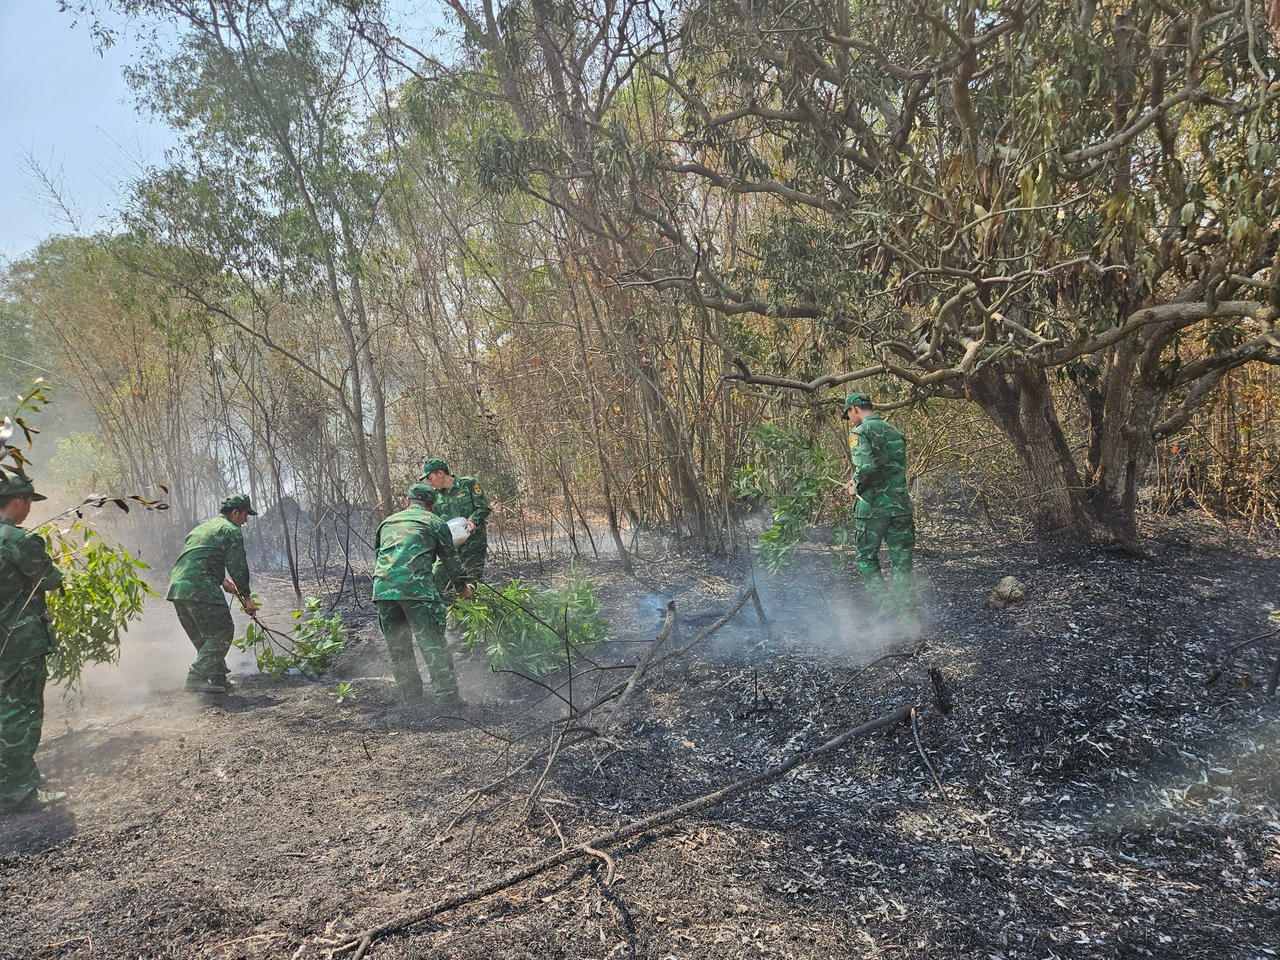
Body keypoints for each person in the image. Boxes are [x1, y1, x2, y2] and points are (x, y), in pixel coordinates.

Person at [0, 474, 66, 813]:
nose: (28, 511)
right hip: (20, 643)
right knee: (21, 714)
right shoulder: (17, 540)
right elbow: (50, 579)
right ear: (19, 501)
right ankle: (17, 792)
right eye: (29, 503)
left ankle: (12, 783)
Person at [373, 483, 473, 707]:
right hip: (417, 592)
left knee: (399, 649)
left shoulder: (386, 523)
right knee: (433, 644)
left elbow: (379, 557)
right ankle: (447, 698)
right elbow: (451, 561)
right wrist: (462, 588)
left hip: (383, 591)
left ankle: (412, 700)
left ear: (407, 502)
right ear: (431, 505)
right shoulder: (435, 522)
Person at [167, 494, 258, 695]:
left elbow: (200, 557)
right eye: (245, 515)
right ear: (235, 513)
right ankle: (195, 678)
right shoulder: (231, 530)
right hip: (200, 588)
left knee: (205, 637)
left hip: (178, 588)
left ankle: (217, 677)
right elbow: (238, 566)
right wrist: (247, 598)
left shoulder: (201, 529)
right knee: (222, 632)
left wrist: (222, 580)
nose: (246, 520)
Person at [842, 393, 915, 619]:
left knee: (866, 558)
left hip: (873, 509)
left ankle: (887, 607)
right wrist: (859, 479)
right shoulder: (895, 432)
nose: (850, 420)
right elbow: (889, 468)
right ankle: (906, 616)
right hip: (900, 507)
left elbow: (866, 467)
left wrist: (855, 487)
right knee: (902, 562)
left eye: (848, 415)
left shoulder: (860, 432)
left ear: (854, 409)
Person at [420, 458, 491, 585]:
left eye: (430, 478)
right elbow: (434, 521)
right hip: (449, 549)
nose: (430, 483)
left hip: (473, 546)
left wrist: (472, 520)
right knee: (437, 582)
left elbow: (484, 508)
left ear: (440, 473)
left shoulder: (469, 484)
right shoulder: (435, 496)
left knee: (469, 583)